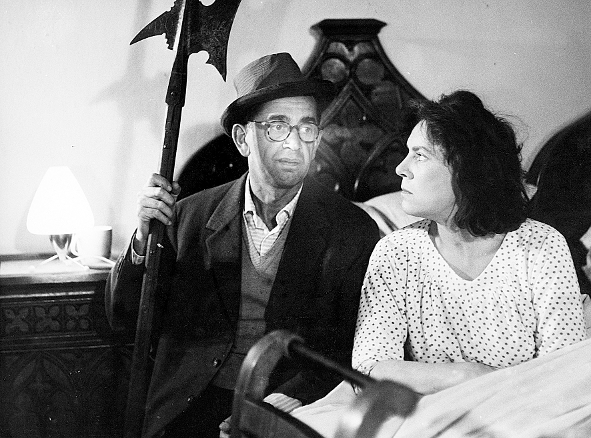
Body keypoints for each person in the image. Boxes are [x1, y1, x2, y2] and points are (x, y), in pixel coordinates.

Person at [105, 52, 380, 438]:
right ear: (241, 138)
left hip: (285, 407)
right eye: (277, 127)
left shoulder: (352, 231)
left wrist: (282, 403)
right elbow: (126, 318)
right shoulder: (188, 217)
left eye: (307, 127)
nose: (295, 143)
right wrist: (141, 240)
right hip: (189, 405)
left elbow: (349, 348)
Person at [352, 90, 586, 395]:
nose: (401, 168)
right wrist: (464, 376)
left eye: (419, 155)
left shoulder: (541, 246)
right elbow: (369, 367)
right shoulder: (396, 253)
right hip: (435, 411)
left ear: (467, 170)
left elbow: (565, 373)